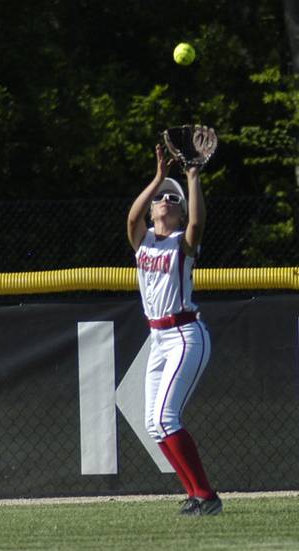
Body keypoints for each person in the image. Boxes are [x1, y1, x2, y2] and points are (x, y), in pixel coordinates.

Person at [125, 143, 221, 516]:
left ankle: (207, 497)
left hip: (185, 335)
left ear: (180, 213)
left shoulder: (182, 243)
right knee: (154, 423)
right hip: (158, 337)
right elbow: (131, 220)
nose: (166, 200)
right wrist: (158, 178)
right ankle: (196, 495)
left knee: (166, 417)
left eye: (173, 199)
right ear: (153, 209)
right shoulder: (144, 239)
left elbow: (198, 224)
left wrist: (192, 178)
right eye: (161, 199)